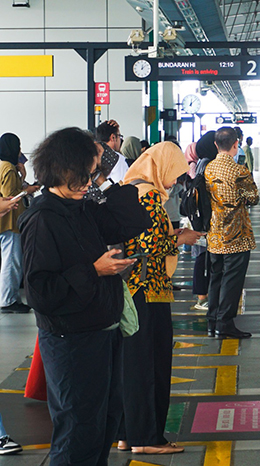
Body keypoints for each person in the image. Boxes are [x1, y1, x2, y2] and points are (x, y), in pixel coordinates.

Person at [19, 127, 151, 466]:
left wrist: (109, 179)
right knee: (78, 432)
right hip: (71, 341)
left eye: (92, 175)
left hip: (102, 333)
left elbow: (129, 223)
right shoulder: (42, 219)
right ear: (64, 170)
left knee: (103, 424)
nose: (90, 183)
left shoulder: (81, 206)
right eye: (85, 175)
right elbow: (39, 292)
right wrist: (95, 271)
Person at [119, 142, 203, 455]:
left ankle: (127, 433)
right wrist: (183, 237)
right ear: (161, 166)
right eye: (174, 174)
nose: (173, 182)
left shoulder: (130, 187)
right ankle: (148, 438)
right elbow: (152, 247)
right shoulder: (150, 196)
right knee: (152, 364)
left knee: (132, 363)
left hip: (132, 289)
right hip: (149, 289)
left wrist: (172, 233)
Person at [205, 126, 258, 339]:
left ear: (216, 145)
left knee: (216, 278)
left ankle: (212, 321)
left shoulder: (208, 168)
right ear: (236, 145)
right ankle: (225, 323)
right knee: (232, 281)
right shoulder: (239, 171)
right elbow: (253, 197)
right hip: (237, 237)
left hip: (214, 235)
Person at [0, 133, 35, 313]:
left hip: (5, 221)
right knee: (11, 261)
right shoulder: (8, 168)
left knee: (9, 260)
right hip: (10, 221)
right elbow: (11, 196)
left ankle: (9, 297)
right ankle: (7, 300)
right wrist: (28, 186)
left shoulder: (2, 165)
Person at [191, 132, 218, 312]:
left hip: (200, 218)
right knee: (203, 259)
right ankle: (202, 298)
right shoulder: (208, 164)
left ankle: (203, 296)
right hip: (206, 220)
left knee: (203, 257)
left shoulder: (201, 162)